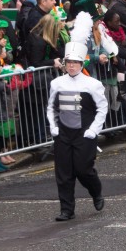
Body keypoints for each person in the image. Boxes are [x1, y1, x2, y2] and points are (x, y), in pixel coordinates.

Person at [46, 27, 108, 221]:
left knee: (84, 170)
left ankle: (96, 192)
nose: (71, 66)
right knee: (63, 173)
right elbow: (51, 108)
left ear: (81, 64)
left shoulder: (93, 84)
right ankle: (67, 209)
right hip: (63, 134)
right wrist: (53, 127)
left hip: (84, 134)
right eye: (68, 62)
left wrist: (93, 130)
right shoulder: (56, 83)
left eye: (75, 63)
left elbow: (102, 108)